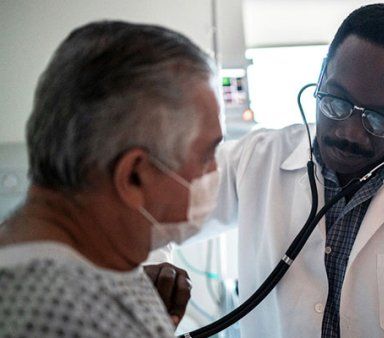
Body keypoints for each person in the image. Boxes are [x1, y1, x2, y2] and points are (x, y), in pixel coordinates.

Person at [165, 3, 384, 338]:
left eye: (379, 118)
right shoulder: (255, 160)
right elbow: (147, 211)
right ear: (322, 75)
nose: (350, 133)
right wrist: (152, 271)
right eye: (337, 102)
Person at [0, 21, 222, 337]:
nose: (214, 172)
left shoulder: (94, 264)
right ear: (134, 176)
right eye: (206, 155)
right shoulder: (63, 318)